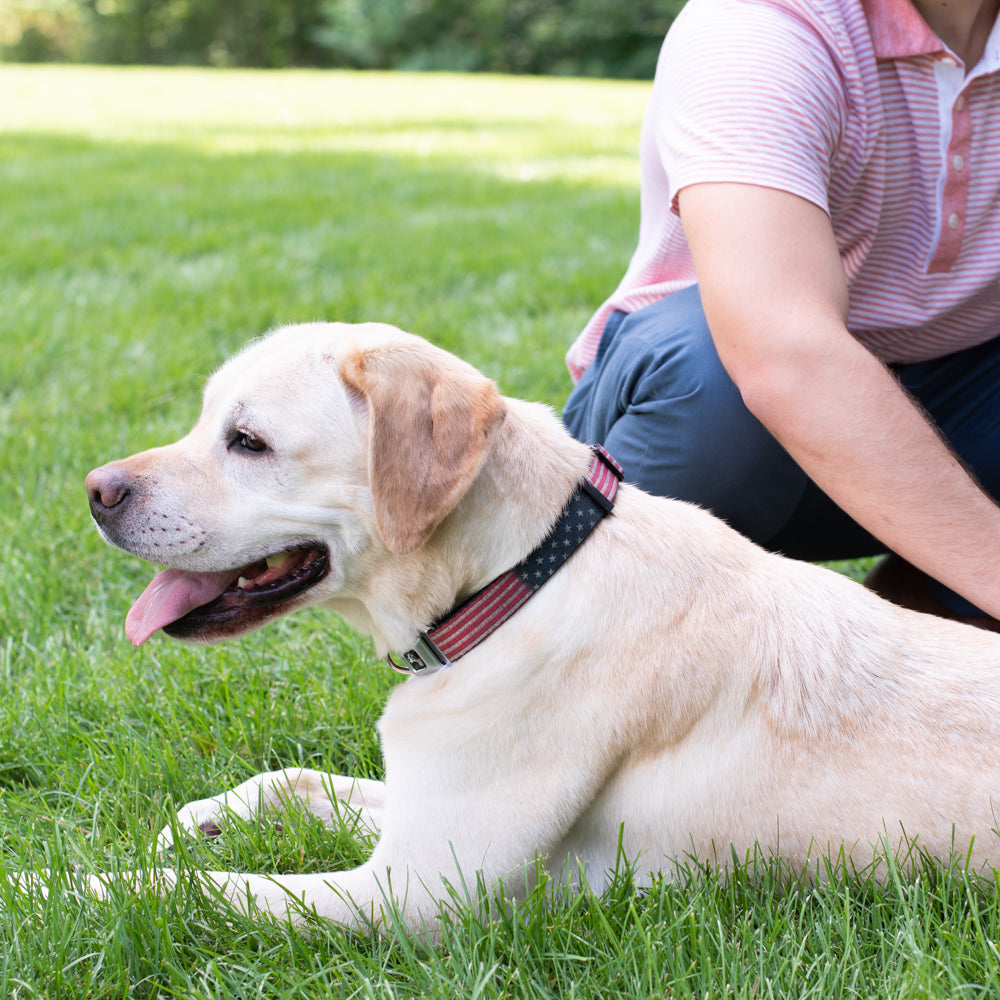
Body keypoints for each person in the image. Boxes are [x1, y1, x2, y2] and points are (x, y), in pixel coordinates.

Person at [562, 0, 1000, 628]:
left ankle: (917, 630)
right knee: (714, 382)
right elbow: (782, 354)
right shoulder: (759, 23)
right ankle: (607, 635)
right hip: (717, 437)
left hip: (961, 401)